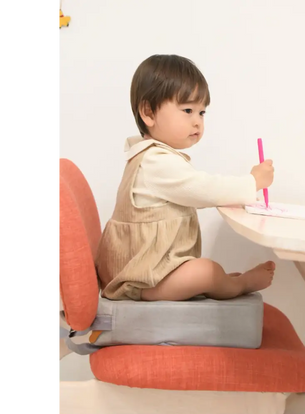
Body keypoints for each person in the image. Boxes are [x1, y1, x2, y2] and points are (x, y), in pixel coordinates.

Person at [95, 54, 275, 302]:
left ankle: (222, 282)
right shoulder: (156, 162)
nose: (197, 122)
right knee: (206, 271)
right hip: (140, 279)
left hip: (151, 270)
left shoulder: (154, 156)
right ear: (148, 112)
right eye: (188, 110)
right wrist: (252, 182)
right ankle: (238, 284)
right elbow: (203, 189)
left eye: (202, 113)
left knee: (205, 272)